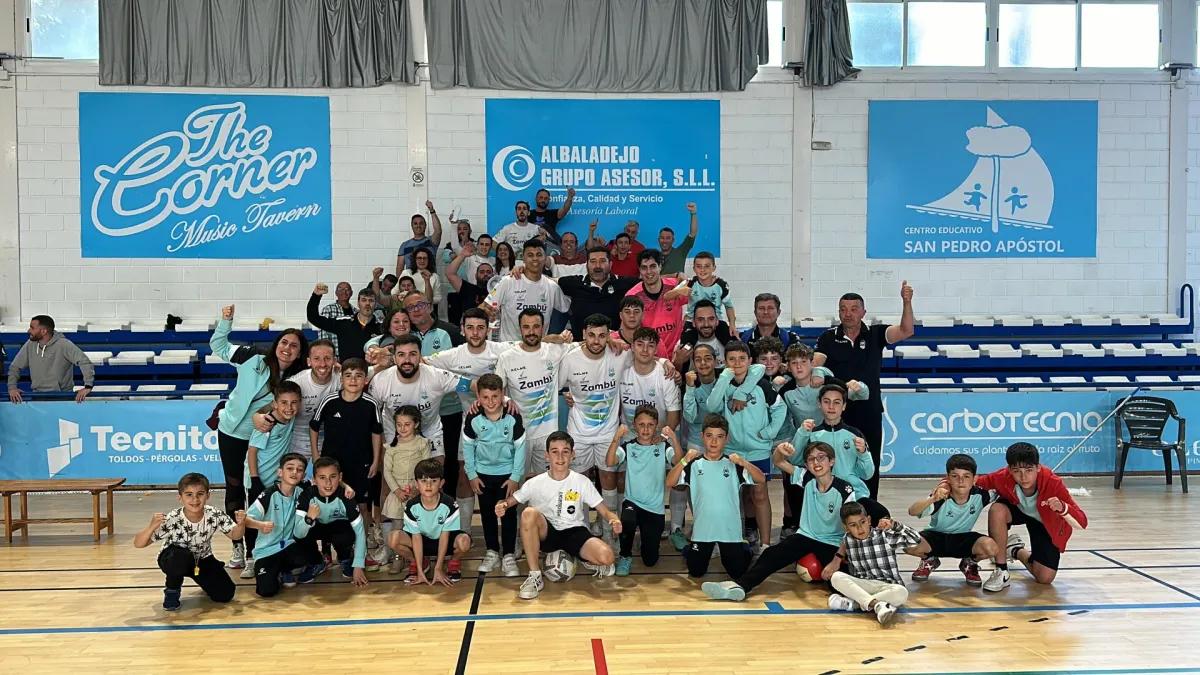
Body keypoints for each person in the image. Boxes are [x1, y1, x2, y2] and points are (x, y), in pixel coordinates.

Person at [702, 441, 885, 602]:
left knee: (836, 581)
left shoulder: (844, 489)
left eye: (821, 458)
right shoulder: (806, 478)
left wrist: (837, 559)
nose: (816, 462)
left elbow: (849, 528)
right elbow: (779, 462)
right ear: (806, 465)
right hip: (805, 536)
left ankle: (871, 598)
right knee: (771, 555)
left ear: (831, 461)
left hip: (831, 541)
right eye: (811, 459)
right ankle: (740, 587)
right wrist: (780, 450)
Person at [209, 304, 307, 572]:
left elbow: (285, 403)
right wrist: (226, 321)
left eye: (294, 346)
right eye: (284, 342)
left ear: (300, 352)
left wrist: (261, 415)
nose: (287, 348)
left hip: (262, 439)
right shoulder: (252, 357)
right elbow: (218, 346)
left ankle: (258, 550)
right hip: (231, 433)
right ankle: (237, 545)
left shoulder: (297, 378)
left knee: (258, 492)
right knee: (233, 489)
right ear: (276, 344)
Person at [814, 282, 916, 498]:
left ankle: (869, 506)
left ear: (863, 312)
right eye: (843, 309)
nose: (848, 314)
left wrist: (906, 302)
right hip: (838, 411)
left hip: (869, 411)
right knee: (838, 460)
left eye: (854, 309)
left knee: (869, 460)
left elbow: (907, 330)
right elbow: (816, 365)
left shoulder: (876, 334)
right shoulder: (827, 337)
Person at [494, 431, 623, 600]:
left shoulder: (581, 481)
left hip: (574, 531)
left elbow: (604, 510)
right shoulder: (535, 483)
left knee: (607, 557)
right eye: (555, 451)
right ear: (547, 455)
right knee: (529, 513)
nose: (560, 457)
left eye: (565, 451)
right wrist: (501, 505)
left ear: (573, 455)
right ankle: (535, 576)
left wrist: (613, 519)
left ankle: (583, 559)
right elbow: (509, 501)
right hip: (548, 533)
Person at [424, 307, 518, 531]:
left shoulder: (501, 350)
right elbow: (421, 362)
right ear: (462, 330)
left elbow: (534, 344)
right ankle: (463, 533)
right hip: (470, 425)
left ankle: (513, 535)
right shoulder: (453, 355)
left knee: (510, 477)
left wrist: (562, 338)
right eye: (470, 328)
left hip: (503, 424)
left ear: (488, 330)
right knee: (465, 475)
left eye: (480, 328)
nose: (475, 333)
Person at [976, 442, 1088, 592]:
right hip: (1018, 510)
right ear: (1009, 469)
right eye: (1017, 471)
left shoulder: (1053, 483)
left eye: (1029, 470)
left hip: (1044, 522)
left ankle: (1014, 549)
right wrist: (946, 485)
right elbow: (971, 482)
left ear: (1038, 467)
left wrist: (1063, 508)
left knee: (1045, 578)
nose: (1023, 477)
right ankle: (1001, 570)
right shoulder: (1002, 477)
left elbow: (1082, 522)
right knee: (997, 510)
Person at [707, 341, 784, 549]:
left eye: (742, 359)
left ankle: (766, 544)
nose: (737, 363)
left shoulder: (762, 385)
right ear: (725, 362)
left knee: (759, 494)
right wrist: (724, 378)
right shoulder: (724, 383)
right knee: (736, 495)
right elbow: (712, 407)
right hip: (732, 450)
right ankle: (734, 539)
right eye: (732, 359)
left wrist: (768, 433)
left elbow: (780, 408)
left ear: (750, 361)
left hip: (759, 449)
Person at [309, 358, 384, 568]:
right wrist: (316, 456)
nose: (353, 380)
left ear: (365, 379)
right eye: (348, 376)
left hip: (361, 464)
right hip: (332, 466)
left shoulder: (371, 404)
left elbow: (376, 433)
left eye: (358, 376)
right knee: (327, 506)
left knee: (362, 507)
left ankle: (362, 550)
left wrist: (376, 461)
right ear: (341, 379)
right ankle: (326, 552)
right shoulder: (329, 400)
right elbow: (314, 427)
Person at [133, 473, 246, 611]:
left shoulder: (214, 514)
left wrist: (241, 525)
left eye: (200, 494)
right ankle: (172, 590)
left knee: (225, 594)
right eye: (189, 495)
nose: (195, 499)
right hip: (174, 558)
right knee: (179, 557)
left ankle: (205, 580)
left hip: (201, 559)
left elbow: (235, 535)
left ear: (208, 496)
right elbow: (139, 543)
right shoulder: (173, 518)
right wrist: (151, 526)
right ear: (180, 497)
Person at [667, 415, 761, 580]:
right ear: (702, 436)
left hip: (729, 531)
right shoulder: (693, 464)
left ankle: (744, 548)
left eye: (719, 436)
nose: (714, 441)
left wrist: (743, 462)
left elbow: (761, 479)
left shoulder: (733, 464)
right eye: (709, 436)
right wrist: (684, 460)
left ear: (727, 438)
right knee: (696, 572)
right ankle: (690, 549)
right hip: (703, 531)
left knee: (737, 572)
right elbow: (670, 482)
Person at [494, 309, 576, 476]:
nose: (531, 332)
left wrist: (613, 340)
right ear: (519, 328)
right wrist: (507, 400)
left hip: (547, 434)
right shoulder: (507, 357)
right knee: (516, 481)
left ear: (543, 327)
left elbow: (588, 345)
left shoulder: (554, 350)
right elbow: (496, 392)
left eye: (536, 326)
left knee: (546, 481)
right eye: (526, 327)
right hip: (518, 433)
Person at [402, 290, 467, 497]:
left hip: (449, 409)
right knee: (418, 461)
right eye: (410, 307)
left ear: (430, 306)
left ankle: (448, 504)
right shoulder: (405, 335)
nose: (416, 310)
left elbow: (466, 362)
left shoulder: (451, 332)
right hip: (417, 413)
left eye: (420, 305)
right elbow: (381, 342)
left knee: (449, 461)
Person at [463, 374, 527, 577]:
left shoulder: (513, 415)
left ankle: (508, 554)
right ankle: (491, 551)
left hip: (507, 475)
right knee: (488, 514)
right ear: (478, 398)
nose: (490, 402)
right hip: (482, 475)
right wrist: (471, 474)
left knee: (508, 514)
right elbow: (467, 447)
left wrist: (515, 476)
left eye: (495, 396)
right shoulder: (473, 417)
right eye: (485, 397)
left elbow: (520, 447)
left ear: (502, 395)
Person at [367, 335, 467, 463]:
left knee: (435, 469)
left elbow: (470, 385)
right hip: (394, 432)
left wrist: (481, 399)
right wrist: (382, 445)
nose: (407, 360)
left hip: (429, 431)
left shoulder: (437, 376)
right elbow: (371, 417)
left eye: (413, 354)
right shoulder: (380, 381)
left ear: (420, 356)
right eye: (401, 355)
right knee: (392, 470)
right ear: (394, 358)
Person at [823, 502, 923, 626]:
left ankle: (855, 604)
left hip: (888, 586)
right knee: (836, 577)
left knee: (902, 592)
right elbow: (842, 552)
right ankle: (877, 605)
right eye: (853, 525)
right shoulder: (847, 540)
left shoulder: (884, 535)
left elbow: (916, 539)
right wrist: (836, 559)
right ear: (846, 528)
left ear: (869, 520)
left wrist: (894, 525)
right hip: (864, 585)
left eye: (863, 522)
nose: (860, 528)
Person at [907, 454, 1000, 586]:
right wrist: (933, 498)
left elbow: (1002, 487)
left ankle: (969, 563)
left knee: (991, 548)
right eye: (955, 476)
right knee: (906, 542)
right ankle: (929, 559)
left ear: (975, 479)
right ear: (948, 478)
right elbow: (912, 511)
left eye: (966, 476)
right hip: (935, 537)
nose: (961, 481)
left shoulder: (981, 495)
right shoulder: (941, 496)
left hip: (963, 539)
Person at [606, 412, 681, 576]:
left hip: (654, 508)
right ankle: (625, 555)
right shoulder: (628, 446)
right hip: (632, 501)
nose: (646, 429)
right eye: (641, 425)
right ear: (634, 425)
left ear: (656, 426)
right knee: (627, 520)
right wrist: (616, 437)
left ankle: (645, 541)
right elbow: (610, 461)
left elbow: (678, 461)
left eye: (650, 425)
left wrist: (674, 439)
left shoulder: (663, 446)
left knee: (650, 560)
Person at [560, 315, 631, 479]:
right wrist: (565, 392)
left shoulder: (619, 354)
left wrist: (665, 362)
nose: (596, 341)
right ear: (584, 334)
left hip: (608, 432)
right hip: (578, 433)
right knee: (579, 480)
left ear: (609, 336)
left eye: (602, 336)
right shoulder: (570, 358)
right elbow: (556, 385)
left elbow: (644, 358)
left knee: (609, 479)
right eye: (591, 335)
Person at [243, 453, 322, 597]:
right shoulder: (268, 494)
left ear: (303, 475)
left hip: (290, 546)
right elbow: (246, 520)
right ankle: (277, 571)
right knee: (266, 591)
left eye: (299, 470)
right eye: (290, 468)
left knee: (308, 534)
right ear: (280, 472)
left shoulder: (302, 494)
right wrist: (260, 525)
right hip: (266, 551)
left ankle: (287, 569)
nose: (294, 472)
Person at [244, 381, 302, 572]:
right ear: (275, 404)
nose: (289, 407)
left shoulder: (290, 419)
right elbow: (252, 451)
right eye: (284, 403)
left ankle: (277, 555)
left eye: (294, 403)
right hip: (258, 479)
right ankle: (250, 558)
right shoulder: (267, 423)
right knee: (254, 519)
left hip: (277, 481)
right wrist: (255, 480)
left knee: (274, 519)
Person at [788, 383, 875, 500]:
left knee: (877, 509)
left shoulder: (855, 435)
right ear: (819, 404)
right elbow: (794, 460)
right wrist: (802, 434)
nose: (831, 406)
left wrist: (863, 453)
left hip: (854, 495)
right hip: (821, 495)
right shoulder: (811, 434)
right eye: (826, 402)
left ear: (844, 406)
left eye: (837, 402)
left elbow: (867, 474)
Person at [393, 459, 473, 584]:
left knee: (465, 541)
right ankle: (418, 563)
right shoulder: (411, 505)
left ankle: (453, 563)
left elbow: (445, 536)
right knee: (394, 538)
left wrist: (438, 568)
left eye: (434, 481)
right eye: (424, 481)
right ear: (417, 483)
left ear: (441, 483)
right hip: (421, 541)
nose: (428, 485)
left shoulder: (449, 504)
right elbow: (416, 537)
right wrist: (420, 572)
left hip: (444, 540)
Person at [483, 239, 571, 342]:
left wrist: (559, 335)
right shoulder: (507, 282)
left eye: (539, 255)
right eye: (530, 255)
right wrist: (488, 313)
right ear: (523, 259)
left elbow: (566, 309)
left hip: (538, 348)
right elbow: (485, 306)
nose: (535, 259)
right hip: (509, 347)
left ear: (545, 258)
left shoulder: (552, 287)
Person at [301, 457, 370, 587]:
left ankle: (345, 558)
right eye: (322, 478)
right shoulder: (307, 495)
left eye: (333, 477)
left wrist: (358, 565)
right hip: (318, 528)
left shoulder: (347, 496)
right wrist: (309, 519)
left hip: (338, 529)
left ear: (340, 477)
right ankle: (317, 561)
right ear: (314, 479)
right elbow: (298, 533)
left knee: (346, 532)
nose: (328, 482)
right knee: (302, 531)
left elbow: (360, 532)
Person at [380, 405, 431, 574]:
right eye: (399, 424)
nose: (402, 428)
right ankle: (399, 557)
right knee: (397, 525)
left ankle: (421, 556)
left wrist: (417, 488)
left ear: (416, 424)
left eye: (407, 424)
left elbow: (426, 468)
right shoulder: (391, 447)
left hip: (418, 491)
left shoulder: (422, 443)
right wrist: (397, 491)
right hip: (398, 492)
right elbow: (387, 471)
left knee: (418, 525)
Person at [6, 315, 94, 403]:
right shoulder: (30, 344)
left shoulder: (64, 344)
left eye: (32, 328)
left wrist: (88, 386)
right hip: (37, 397)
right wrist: (12, 388)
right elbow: (15, 367)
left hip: (62, 398)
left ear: (44, 331)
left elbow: (85, 362)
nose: (29, 330)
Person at [558, 245, 641, 337]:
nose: (597, 266)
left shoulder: (625, 284)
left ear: (610, 264)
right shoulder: (573, 283)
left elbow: (648, 284)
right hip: (580, 343)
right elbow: (551, 282)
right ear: (587, 265)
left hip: (615, 344)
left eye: (602, 261)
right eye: (593, 261)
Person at [626, 249, 690, 358]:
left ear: (660, 266)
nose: (649, 272)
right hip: (649, 357)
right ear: (639, 270)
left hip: (677, 355)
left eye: (653, 266)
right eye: (644, 268)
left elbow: (698, 302)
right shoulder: (632, 296)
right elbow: (628, 329)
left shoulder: (675, 287)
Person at [287, 339, 341, 458]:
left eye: (327, 358)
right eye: (317, 359)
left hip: (331, 441)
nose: (322, 364)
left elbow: (365, 372)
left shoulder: (343, 379)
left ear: (334, 360)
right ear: (309, 361)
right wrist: (259, 416)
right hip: (298, 442)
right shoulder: (296, 383)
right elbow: (274, 405)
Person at [306, 284, 382, 361]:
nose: (367, 304)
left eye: (371, 300)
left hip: (372, 368)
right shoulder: (343, 322)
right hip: (346, 367)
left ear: (375, 304)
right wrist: (316, 296)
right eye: (364, 300)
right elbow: (314, 318)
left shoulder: (381, 327)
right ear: (358, 303)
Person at [674, 300, 734, 371]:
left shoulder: (729, 339)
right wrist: (678, 361)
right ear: (693, 323)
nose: (706, 324)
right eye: (700, 320)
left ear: (717, 321)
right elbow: (676, 375)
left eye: (711, 319)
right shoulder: (683, 345)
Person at [446, 243, 496, 325]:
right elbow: (450, 273)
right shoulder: (468, 288)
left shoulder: (496, 292)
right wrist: (462, 255)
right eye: (482, 272)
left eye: (488, 272)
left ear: (493, 275)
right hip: (470, 327)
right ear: (476, 275)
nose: (485, 274)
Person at [685, 252, 735, 327]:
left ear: (714, 268)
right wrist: (678, 291)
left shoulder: (721, 285)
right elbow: (669, 297)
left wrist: (732, 325)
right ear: (694, 268)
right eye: (699, 266)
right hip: (692, 321)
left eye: (707, 266)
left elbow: (729, 307)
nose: (702, 270)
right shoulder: (689, 284)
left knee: (727, 332)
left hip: (715, 322)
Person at [397, 200, 444, 272]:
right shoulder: (404, 245)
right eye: (415, 223)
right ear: (412, 226)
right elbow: (399, 268)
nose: (418, 226)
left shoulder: (431, 241)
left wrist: (432, 211)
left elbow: (438, 231)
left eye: (421, 223)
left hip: (430, 278)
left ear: (425, 225)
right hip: (411, 279)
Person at [400, 248, 445, 316]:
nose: (422, 261)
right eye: (419, 258)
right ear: (415, 260)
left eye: (425, 258)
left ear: (429, 260)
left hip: (427, 313)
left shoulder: (435, 276)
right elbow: (394, 292)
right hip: (408, 312)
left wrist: (422, 302)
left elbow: (438, 298)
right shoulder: (406, 273)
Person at [316, 282, 354, 357]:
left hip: (352, 356)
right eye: (340, 289)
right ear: (336, 293)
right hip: (334, 356)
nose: (344, 292)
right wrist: (329, 356)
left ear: (351, 293)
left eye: (347, 289)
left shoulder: (356, 312)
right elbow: (323, 336)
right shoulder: (328, 310)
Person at [659, 202, 699, 275]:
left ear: (673, 240)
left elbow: (693, 233)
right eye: (662, 238)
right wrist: (674, 275)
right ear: (658, 239)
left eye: (668, 238)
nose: (665, 241)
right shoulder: (654, 256)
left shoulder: (680, 252)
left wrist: (693, 213)